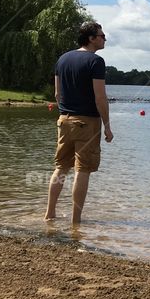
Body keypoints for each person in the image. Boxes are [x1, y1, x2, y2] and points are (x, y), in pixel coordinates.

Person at [45, 21, 114, 224]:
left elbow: (57, 93)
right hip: (87, 122)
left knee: (61, 168)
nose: (104, 39)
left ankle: (49, 214)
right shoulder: (96, 61)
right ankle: (76, 220)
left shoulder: (63, 59)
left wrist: (65, 113)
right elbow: (100, 98)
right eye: (102, 36)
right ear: (91, 38)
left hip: (64, 119)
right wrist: (107, 126)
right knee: (82, 170)